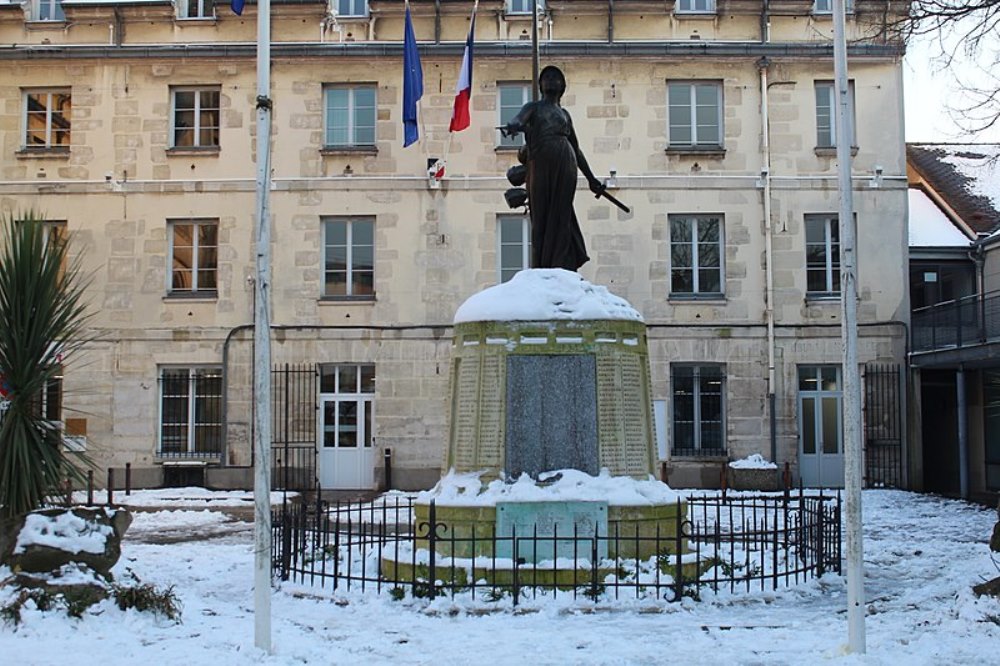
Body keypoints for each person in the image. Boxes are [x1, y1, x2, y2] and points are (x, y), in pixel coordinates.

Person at [502, 65, 605, 272]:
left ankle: (561, 263)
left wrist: (592, 179)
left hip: (565, 163)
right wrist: (513, 125)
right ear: (540, 85)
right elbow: (518, 119)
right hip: (540, 163)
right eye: (546, 77)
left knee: (562, 212)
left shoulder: (565, 115)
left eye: (555, 78)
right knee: (540, 213)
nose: (550, 80)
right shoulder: (534, 107)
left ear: (562, 86)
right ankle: (541, 266)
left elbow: (576, 149)